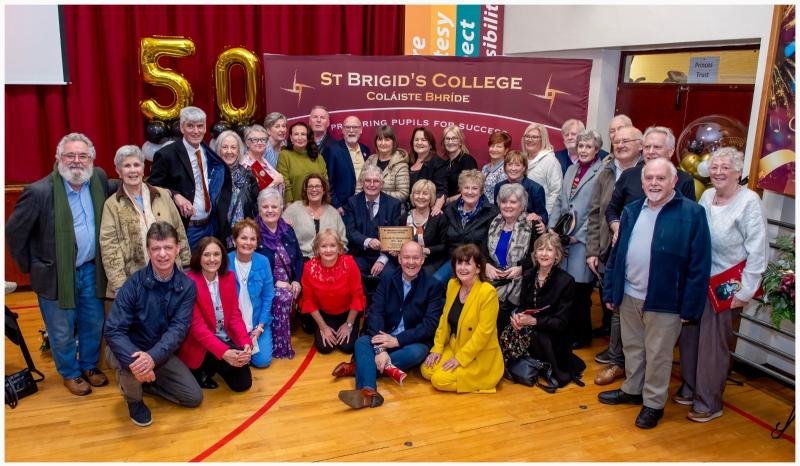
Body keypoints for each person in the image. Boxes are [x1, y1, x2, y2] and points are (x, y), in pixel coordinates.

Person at [599, 158, 711, 430]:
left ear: (674, 181)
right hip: (629, 295)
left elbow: (699, 265)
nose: (654, 183)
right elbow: (618, 254)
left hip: (666, 302)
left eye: (661, 178)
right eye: (649, 178)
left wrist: (690, 307)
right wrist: (612, 290)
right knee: (633, 348)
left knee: (658, 355)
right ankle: (632, 390)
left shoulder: (692, 213)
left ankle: (653, 404)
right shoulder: (632, 210)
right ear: (642, 182)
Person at [7, 132, 114, 396]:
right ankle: (70, 372)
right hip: (55, 275)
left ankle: (89, 365)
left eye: (82, 155)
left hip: (91, 269)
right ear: (58, 159)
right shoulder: (39, 191)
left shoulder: (98, 179)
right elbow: (14, 232)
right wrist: (32, 266)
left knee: (93, 322)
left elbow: (129, 183)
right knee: (62, 329)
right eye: (70, 155)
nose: (77, 161)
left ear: (91, 158)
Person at [676, 147, 767, 422]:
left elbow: (758, 250)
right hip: (699, 278)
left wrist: (746, 290)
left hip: (728, 283)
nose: (717, 172)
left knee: (713, 345)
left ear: (737, 171)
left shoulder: (749, 201)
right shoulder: (706, 196)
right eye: (714, 167)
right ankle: (691, 386)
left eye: (724, 167)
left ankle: (709, 401)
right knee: (690, 338)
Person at [104, 222, 203, 427]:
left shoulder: (187, 286)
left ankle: (146, 382)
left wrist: (152, 358)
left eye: (168, 247)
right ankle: (134, 398)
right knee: (131, 365)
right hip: (129, 349)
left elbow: (178, 330)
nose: (162, 254)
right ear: (148, 251)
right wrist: (141, 361)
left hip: (160, 353)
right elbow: (114, 329)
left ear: (177, 248)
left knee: (194, 397)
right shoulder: (134, 283)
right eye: (156, 248)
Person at [335, 241, 445, 409]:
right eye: (406, 257)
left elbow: (429, 325)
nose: (411, 262)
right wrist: (380, 349)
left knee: (418, 352)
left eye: (416, 257)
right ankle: (368, 392)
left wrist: (397, 340)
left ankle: (360, 367)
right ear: (399, 259)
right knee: (362, 342)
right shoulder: (387, 279)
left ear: (423, 260)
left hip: (409, 341)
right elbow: (375, 312)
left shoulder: (433, 286)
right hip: (383, 336)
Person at [586, 124, 644, 385]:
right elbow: (597, 211)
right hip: (608, 249)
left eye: (626, 141)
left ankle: (628, 365)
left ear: (639, 145)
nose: (619, 145)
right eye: (616, 141)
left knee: (627, 308)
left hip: (637, 254)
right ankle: (615, 359)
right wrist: (593, 249)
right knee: (615, 304)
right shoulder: (606, 171)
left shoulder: (647, 174)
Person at [100, 145, 191, 297]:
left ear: (143, 168)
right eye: (127, 166)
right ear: (118, 172)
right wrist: (120, 286)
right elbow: (110, 248)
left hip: (171, 276)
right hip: (135, 283)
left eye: (136, 164)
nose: (133, 170)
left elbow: (179, 231)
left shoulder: (162, 195)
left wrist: (186, 266)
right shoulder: (112, 205)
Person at [500, 232, 585, 387]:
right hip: (531, 327)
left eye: (549, 250)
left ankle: (533, 364)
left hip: (553, 334)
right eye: (540, 249)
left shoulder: (566, 281)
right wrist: (517, 318)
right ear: (535, 253)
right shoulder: (529, 275)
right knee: (507, 328)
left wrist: (534, 321)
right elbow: (524, 307)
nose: (544, 254)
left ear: (557, 255)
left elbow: (561, 323)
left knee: (538, 336)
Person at [421, 244, 504, 393]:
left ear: (478, 268)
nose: (462, 268)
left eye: (468, 263)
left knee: (438, 380)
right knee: (427, 370)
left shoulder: (487, 292)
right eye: (459, 263)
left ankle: (483, 382)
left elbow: (483, 334)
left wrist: (460, 358)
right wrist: (437, 349)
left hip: (478, 354)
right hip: (455, 345)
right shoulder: (453, 284)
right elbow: (444, 320)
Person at [548, 129, 604, 349]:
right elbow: (561, 201)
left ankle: (582, 335)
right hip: (563, 239)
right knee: (566, 289)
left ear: (597, 149)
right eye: (580, 146)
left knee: (581, 292)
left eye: (588, 146)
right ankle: (567, 331)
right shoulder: (571, 169)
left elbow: (598, 211)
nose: (583, 150)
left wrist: (576, 237)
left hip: (583, 242)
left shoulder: (602, 172)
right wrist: (553, 230)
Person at [149, 106, 232, 248]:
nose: (196, 131)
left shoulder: (208, 153)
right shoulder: (166, 155)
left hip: (211, 225)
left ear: (205, 128)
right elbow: (152, 188)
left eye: (200, 126)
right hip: (187, 228)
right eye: (190, 126)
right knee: (188, 269)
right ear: (182, 128)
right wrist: (175, 195)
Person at [178, 236, 253, 392]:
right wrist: (224, 352)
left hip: (223, 337)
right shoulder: (189, 282)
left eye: (216, 254)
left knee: (243, 384)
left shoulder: (229, 277)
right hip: (200, 344)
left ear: (223, 256)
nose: (212, 259)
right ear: (199, 257)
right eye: (206, 254)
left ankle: (218, 366)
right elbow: (198, 328)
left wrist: (246, 343)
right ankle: (202, 370)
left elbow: (234, 315)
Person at [605, 126, 696, 237]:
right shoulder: (628, 175)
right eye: (647, 147)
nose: (651, 152)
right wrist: (618, 229)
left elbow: (689, 220)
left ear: (670, 151)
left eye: (657, 147)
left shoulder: (684, 180)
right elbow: (612, 209)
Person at [301, 229, 366, 354]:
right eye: (323, 246)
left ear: (339, 248)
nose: (328, 250)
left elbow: (357, 297)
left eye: (332, 245)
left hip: (348, 311)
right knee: (324, 348)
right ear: (317, 249)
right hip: (324, 312)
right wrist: (323, 327)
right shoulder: (309, 268)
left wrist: (348, 325)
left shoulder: (350, 264)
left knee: (347, 347)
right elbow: (309, 301)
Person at [255, 188, 303, 358]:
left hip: (290, 281)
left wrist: (297, 280)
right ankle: (280, 346)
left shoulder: (287, 230)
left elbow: (299, 257)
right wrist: (275, 282)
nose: (270, 210)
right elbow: (254, 266)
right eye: (265, 206)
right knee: (282, 295)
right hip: (265, 284)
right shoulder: (254, 233)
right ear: (259, 209)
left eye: (274, 207)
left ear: (281, 208)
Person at [436, 169, 499, 283]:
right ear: (460, 189)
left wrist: (486, 263)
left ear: (481, 191)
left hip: (477, 261)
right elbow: (443, 240)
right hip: (453, 260)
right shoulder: (450, 209)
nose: (470, 192)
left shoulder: (492, 212)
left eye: (474, 188)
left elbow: (491, 244)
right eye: (466, 188)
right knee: (436, 282)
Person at [228, 219, 275, 368]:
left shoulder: (263, 261)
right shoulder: (225, 261)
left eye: (252, 239)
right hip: (233, 325)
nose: (248, 242)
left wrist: (260, 327)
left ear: (256, 243)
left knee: (263, 362)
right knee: (238, 360)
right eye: (243, 238)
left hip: (257, 322)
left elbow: (268, 296)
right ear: (235, 240)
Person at [343, 165, 403, 278]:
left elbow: (396, 237)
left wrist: (382, 260)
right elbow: (350, 231)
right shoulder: (352, 202)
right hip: (360, 255)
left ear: (382, 184)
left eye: (376, 181)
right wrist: (368, 241)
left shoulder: (393, 204)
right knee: (352, 273)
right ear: (362, 183)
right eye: (367, 180)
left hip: (385, 256)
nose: (371, 184)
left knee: (389, 275)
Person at [484, 183, 535, 308]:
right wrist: (487, 265)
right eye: (504, 202)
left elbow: (537, 257)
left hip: (518, 284)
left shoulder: (532, 226)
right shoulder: (493, 223)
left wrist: (521, 268)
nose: (508, 206)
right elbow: (482, 250)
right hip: (492, 279)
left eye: (513, 202)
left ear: (522, 205)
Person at [282, 173, 347, 260]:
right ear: (306, 190)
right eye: (310, 186)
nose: (314, 189)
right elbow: (281, 234)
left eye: (317, 186)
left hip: (330, 261)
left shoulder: (333, 213)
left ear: (323, 190)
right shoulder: (293, 210)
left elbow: (343, 241)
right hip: (301, 260)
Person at [215, 130, 260, 248]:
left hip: (244, 237)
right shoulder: (212, 175)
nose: (229, 151)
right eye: (225, 147)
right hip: (218, 237)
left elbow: (255, 208)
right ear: (218, 150)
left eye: (233, 147)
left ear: (239, 150)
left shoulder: (248, 175)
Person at [323, 115, 371, 212]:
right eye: (347, 127)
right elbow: (327, 181)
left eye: (355, 127)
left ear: (361, 130)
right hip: (343, 207)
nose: (351, 130)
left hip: (365, 204)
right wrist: (336, 204)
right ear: (343, 130)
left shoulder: (365, 150)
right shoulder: (333, 150)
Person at [277, 121, 328, 205]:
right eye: (296, 134)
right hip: (295, 208)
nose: (300, 138)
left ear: (308, 137)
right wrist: (289, 207)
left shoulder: (318, 157)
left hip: (318, 206)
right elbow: (285, 183)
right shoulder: (284, 155)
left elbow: (325, 182)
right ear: (291, 137)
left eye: (303, 134)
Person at [493, 150, 549, 226]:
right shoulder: (499, 187)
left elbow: (543, 215)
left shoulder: (536, 189)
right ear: (505, 167)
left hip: (526, 228)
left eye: (517, 165)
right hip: (504, 227)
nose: (513, 168)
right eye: (510, 164)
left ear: (524, 168)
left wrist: (539, 219)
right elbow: (497, 211)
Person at [358, 125, 410, 203]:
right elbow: (359, 187)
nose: (383, 143)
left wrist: (375, 194)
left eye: (387, 139)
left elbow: (403, 194)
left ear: (393, 142)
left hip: (391, 211)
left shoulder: (401, 164)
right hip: (368, 208)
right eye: (380, 139)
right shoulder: (370, 160)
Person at [407, 179, 449, 275]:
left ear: (431, 197)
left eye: (425, 194)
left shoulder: (439, 217)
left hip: (431, 262)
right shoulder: (405, 217)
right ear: (412, 196)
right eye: (417, 193)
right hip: (408, 262)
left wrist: (427, 250)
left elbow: (445, 246)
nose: (421, 197)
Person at [521, 123, 562, 218]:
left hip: (539, 219)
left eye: (534, 137)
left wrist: (544, 217)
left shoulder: (551, 161)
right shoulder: (522, 159)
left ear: (542, 140)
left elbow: (556, 193)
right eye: (527, 136)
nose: (530, 140)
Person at [408, 126, 448, 215]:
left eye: (423, 140)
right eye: (416, 139)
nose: (419, 142)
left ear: (430, 144)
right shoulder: (408, 162)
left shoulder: (437, 163)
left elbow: (442, 191)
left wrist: (436, 210)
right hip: (409, 212)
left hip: (427, 213)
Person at [240, 124, 284, 193]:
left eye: (263, 139)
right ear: (247, 143)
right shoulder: (245, 164)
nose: (260, 142)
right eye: (255, 139)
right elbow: (250, 192)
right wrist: (275, 182)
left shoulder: (264, 160)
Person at [441, 124, 478, 202]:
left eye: (454, 138)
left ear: (460, 142)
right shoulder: (445, 163)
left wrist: (447, 201)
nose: (450, 142)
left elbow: (471, 191)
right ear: (444, 142)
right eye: (447, 139)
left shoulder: (468, 161)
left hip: (461, 206)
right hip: (447, 208)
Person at [481, 131, 511, 204]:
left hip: (493, 211)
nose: (494, 149)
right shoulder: (485, 168)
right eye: (492, 146)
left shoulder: (506, 170)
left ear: (506, 151)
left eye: (499, 146)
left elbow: (503, 197)